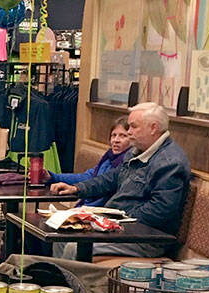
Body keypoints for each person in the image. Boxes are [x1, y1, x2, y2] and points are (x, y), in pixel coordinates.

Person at [49, 102, 191, 258]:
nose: (129, 132)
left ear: (153, 128)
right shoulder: (136, 151)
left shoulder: (170, 162)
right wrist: (77, 188)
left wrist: (118, 219)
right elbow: (110, 178)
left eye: (133, 127)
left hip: (145, 239)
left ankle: (72, 282)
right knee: (61, 235)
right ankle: (61, 281)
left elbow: (160, 211)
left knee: (74, 247)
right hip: (119, 226)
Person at [47, 117, 132, 206]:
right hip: (86, 205)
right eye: (113, 135)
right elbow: (88, 177)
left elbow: (103, 185)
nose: (116, 140)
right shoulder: (108, 157)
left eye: (123, 136)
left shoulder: (128, 164)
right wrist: (53, 177)